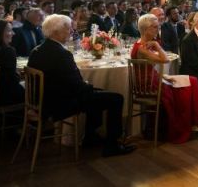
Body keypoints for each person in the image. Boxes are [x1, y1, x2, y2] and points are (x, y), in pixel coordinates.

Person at [28, 15, 135, 157]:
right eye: (68, 29)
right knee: (116, 99)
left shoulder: (37, 50)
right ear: (56, 32)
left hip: (43, 100)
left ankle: (90, 137)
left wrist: (89, 87)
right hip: (60, 103)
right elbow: (77, 86)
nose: (71, 32)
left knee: (96, 93)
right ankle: (112, 145)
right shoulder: (62, 54)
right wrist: (89, 87)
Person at [131, 14, 198, 142]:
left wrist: (164, 76)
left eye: (158, 27)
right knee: (184, 88)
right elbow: (165, 59)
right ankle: (192, 123)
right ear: (145, 29)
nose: (158, 30)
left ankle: (196, 121)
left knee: (193, 80)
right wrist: (157, 46)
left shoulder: (145, 44)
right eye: (155, 27)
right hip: (148, 85)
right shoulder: (142, 48)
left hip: (154, 79)